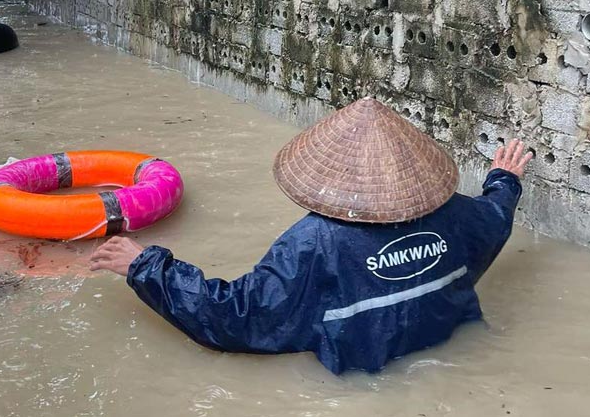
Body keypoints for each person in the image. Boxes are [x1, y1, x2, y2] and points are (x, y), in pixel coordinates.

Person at [90, 97, 533, 375]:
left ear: (332, 177)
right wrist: (504, 179)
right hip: (458, 359)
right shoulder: (457, 214)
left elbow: (234, 319)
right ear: (413, 171)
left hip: (364, 383)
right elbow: (495, 219)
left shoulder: (315, 242)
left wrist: (145, 266)